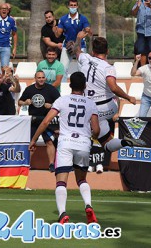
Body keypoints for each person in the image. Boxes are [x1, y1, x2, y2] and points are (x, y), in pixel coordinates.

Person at [29, 72, 100, 224]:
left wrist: (34, 139)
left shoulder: (62, 100)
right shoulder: (91, 103)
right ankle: (88, 205)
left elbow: (46, 121)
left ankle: (62, 214)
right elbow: (97, 130)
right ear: (85, 86)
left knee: (61, 181)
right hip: (83, 143)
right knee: (81, 179)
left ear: (70, 85)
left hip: (65, 143)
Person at [74, 31, 145, 154]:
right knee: (106, 143)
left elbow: (77, 51)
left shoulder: (85, 58)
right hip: (108, 107)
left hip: (92, 107)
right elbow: (113, 87)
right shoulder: (108, 67)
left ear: (92, 52)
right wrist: (128, 98)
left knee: (87, 133)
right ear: (107, 52)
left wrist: (78, 39)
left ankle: (92, 140)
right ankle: (123, 141)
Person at [18, 71, 60, 172]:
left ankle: (51, 164)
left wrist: (52, 105)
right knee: (31, 143)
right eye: (39, 78)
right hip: (34, 120)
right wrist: (25, 102)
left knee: (49, 142)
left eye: (43, 77)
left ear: (45, 78)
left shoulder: (51, 89)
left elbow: (60, 102)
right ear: (35, 78)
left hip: (47, 120)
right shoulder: (30, 89)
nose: (41, 79)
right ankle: (27, 164)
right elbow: (19, 102)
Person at [54, 0, 91, 81]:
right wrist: (55, 30)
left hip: (80, 45)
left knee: (82, 68)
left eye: (74, 5)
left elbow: (87, 30)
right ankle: (62, 88)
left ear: (77, 6)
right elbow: (58, 34)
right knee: (62, 68)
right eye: (71, 5)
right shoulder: (63, 19)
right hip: (67, 46)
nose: (73, 7)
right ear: (68, 6)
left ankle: (82, 88)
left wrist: (87, 30)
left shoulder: (83, 18)